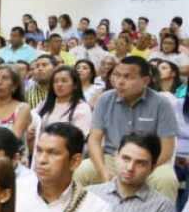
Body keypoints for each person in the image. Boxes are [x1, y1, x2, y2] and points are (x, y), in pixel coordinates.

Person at [75, 56, 180, 202]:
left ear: (145, 81)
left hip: (149, 161)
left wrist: (145, 169)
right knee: (81, 171)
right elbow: (94, 140)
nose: (120, 82)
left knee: (166, 179)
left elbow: (167, 148)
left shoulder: (161, 103)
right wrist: (103, 171)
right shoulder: (105, 99)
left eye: (128, 77)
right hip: (112, 157)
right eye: (117, 75)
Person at [36, 66, 92, 137]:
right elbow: (32, 120)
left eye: (64, 81)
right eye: (55, 81)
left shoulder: (82, 107)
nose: (59, 85)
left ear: (75, 85)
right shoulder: (45, 104)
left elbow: (79, 137)